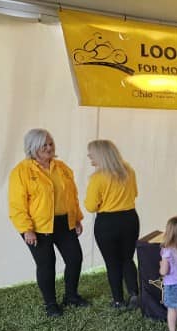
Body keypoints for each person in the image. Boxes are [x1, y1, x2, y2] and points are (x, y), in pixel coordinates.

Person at [8, 129, 88, 317]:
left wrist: (76, 218)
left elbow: (72, 196)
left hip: (64, 223)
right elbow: (17, 204)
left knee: (75, 258)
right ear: (33, 147)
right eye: (44, 145)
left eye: (50, 143)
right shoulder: (21, 171)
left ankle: (71, 296)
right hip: (37, 227)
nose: (49, 148)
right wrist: (26, 229)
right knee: (47, 264)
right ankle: (51, 304)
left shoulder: (61, 167)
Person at [85, 139, 140, 310]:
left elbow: (90, 206)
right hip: (130, 219)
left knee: (112, 262)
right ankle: (135, 295)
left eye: (91, 154)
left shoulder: (97, 177)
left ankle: (118, 301)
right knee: (127, 259)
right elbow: (135, 193)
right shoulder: (128, 171)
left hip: (107, 223)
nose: (89, 156)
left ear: (101, 155)